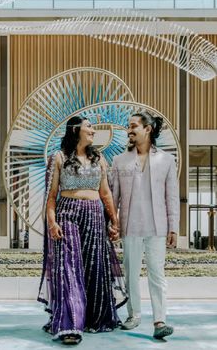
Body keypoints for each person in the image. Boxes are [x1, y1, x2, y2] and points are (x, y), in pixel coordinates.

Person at [38, 116, 126, 345]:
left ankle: (92, 319)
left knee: (94, 266)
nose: (93, 131)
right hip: (67, 214)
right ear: (76, 129)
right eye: (89, 126)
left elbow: (106, 193)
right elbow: (50, 196)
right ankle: (70, 324)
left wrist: (114, 222)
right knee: (68, 267)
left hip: (95, 215)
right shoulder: (58, 157)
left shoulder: (99, 158)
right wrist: (52, 222)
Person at [112, 110, 180, 340]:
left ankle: (159, 320)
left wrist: (173, 227)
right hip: (130, 225)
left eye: (133, 126)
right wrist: (112, 224)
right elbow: (114, 197)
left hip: (158, 227)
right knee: (131, 273)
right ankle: (134, 315)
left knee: (157, 274)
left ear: (147, 129)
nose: (129, 130)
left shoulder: (167, 160)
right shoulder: (119, 160)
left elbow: (172, 196)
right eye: (128, 127)